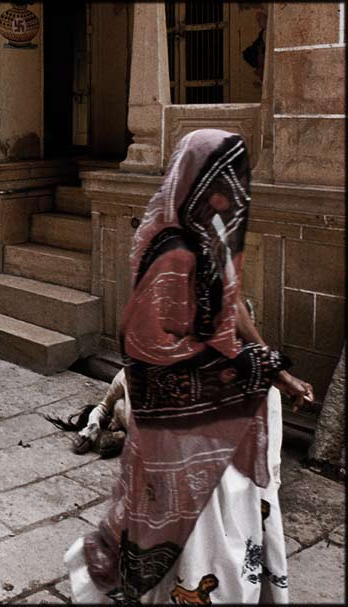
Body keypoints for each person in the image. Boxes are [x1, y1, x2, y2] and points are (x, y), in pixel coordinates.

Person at [64, 129, 314, 604]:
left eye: (238, 179)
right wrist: (243, 369)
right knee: (193, 534)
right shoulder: (170, 249)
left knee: (236, 519)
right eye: (225, 178)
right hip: (186, 421)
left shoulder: (211, 235)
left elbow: (231, 302)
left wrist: (273, 366)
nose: (235, 192)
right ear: (197, 178)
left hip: (225, 409)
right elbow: (145, 345)